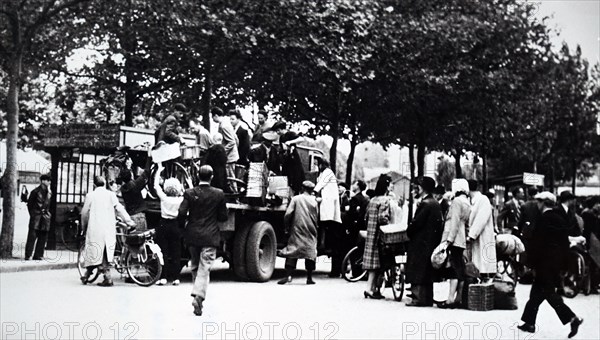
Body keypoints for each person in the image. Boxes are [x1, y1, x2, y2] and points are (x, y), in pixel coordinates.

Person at [518, 192, 584, 338]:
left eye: (539, 201)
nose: (536, 203)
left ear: (544, 202)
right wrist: (564, 266)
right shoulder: (560, 219)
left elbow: (537, 244)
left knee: (548, 292)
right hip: (556, 263)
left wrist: (530, 263)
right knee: (536, 293)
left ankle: (572, 318)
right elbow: (564, 243)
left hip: (544, 262)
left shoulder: (543, 219)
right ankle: (529, 322)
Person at [178, 165, 228, 316]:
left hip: (192, 235)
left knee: (195, 266)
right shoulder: (218, 194)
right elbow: (223, 216)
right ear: (211, 177)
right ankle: (198, 296)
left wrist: (184, 227)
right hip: (210, 236)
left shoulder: (190, 193)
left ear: (197, 176)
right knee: (204, 267)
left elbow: (181, 212)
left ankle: (198, 296)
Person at [80, 176, 135, 286]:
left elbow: (84, 213)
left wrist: (83, 227)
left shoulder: (90, 196)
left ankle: (107, 277)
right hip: (109, 228)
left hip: (95, 228)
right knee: (104, 252)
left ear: (94, 185)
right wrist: (129, 221)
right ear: (104, 184)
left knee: (94, 252)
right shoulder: (111, 195)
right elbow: (119, 209)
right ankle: (87, 275)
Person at [406, 176, 444, 306]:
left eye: (415, 188)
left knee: (418, 270)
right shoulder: (435, 203)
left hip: (420, 242)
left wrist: (409, 230)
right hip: (430, 242)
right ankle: (427, 298)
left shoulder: (425, 204)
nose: (413, 191)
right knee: (427, 270)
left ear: (421, 189)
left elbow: (416, 224)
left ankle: (418, 298)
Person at [277, 181, 319, 285]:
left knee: (293, 249)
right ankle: (309, 277)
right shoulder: (314, 201)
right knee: (310, 252)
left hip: (298, 227)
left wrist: (286, 226)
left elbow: (288, 214)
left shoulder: (296, 199)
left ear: (302, 188)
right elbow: (317, 216)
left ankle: (288, 276)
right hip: (311, 229)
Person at [438, 179, 470, 309]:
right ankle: (458, 298)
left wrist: (449, 239)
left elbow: (454, 221)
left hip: (454, 237)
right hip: (461, 238)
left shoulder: (456, 201)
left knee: (453, 269)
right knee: (460, 267)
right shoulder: (467, 202)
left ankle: (450, 299)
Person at [362, 174, 393, 299]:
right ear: (386, 186)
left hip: (371, 233)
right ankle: (371, 289)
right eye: (390, 184)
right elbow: (382, 218)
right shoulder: (385, 200)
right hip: (380, 235)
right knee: (379, 262)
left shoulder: (372, 200)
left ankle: (370, 288)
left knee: (372, 263)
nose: (392, 186)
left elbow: (366, 217)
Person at [154, 163, 185, 286]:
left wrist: (159, 171)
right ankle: (176, 278)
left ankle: (163, 277)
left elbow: (156, 186)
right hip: (175, 225)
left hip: (163, 225)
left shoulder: (164, 198)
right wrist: (187, 183)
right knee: (176, 252)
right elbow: (189, 193)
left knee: (163, 252)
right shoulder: (180, 199)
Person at [313, 158, 343, 277]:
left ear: (322, 164)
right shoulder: (323, 173)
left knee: (333, 239)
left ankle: (335, 270)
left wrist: (313, 192)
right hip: (327, 205)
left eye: (317, 164)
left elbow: (319, 186)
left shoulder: (327, 173)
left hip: (329, 207)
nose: (316, 166)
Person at [467, 179, 497, 279]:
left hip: (483, 237)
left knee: (483, 266)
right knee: (476, 266)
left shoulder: (483, 199)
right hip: (477, 239)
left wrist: (471, 235)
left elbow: (481, 220)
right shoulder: (472, 201)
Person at [272, 121, 305, 194]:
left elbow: (301, 139)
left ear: (281, 129)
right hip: (286, 161)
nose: (277, 132)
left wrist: (290, 142)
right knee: (286, 179)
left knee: (295, 178)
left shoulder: (290, 134)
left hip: (293, 160)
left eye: (278, 130)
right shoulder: (281, 138)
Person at [118, 157, 151, 231]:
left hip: (130, 216)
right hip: (139, 216)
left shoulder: (123, 189)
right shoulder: (135, 185)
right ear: (131, 176)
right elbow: (146, 172)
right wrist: (149, 157)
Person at [211, 107, 239, 192]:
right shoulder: (226, 123)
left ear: (215, 116)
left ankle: (235, 196)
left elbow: (232, 142)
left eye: (212, 117)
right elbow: (236, 139)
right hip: (231, 155)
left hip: (229, 157)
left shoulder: (224, 126)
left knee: (230, 178)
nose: (212, 119)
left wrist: (222, 152)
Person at [25, 174, 52, 260]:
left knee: (43, 237)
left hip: (45, 217)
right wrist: (33, 214)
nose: (49, 182)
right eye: (48, 180)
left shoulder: (49, 193)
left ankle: (38, 255)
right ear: (43, 181)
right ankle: (28, 254)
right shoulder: (35, 192)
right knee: (32, 236)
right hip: (36, 216)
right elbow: (30, 205)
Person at [346, 180, 370, 249]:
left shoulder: (355, 199)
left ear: (358, 187)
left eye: (355, 184)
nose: (353, 185)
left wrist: (348, 227)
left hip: (354, 227)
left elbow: (351, 215)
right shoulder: (363, 198)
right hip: (361, 226)